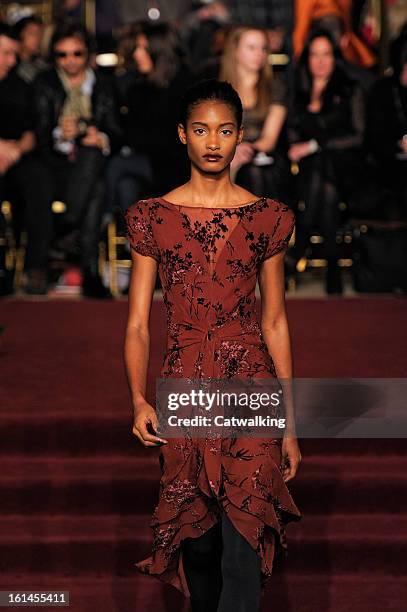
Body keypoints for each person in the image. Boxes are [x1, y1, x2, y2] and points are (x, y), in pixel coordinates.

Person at [124, 79, 302, 611]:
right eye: (201, 129)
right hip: (186, 385)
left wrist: (291, 424)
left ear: (240, 136)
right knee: (199, 544)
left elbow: (275, 321)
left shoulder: (269, 217)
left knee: (242, 544)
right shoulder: (151, 217)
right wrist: (137, 398)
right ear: (183, 135)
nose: (213, 141)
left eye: (225, 130)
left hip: (250, 381)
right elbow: (137, 323)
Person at [32, 22, 122, 299]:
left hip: (91, 164)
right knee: (93, 189)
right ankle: (89, 269)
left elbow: (119, 131)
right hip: (54, 166)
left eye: (77, 54)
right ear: (54, 56)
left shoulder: (104, 84)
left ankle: (64, 235)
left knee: (92, 162)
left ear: (88, 55)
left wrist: (100, 136)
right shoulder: (44, 83)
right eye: (62, 55)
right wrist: (61, 133)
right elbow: (39, 133)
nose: (70, 61)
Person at [287, 29, 366, 294]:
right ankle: (333, 266)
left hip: (346, 166)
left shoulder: (348, 90)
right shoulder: (299, 91)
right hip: (307, 172)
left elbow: (357, 136)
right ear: (307, 59)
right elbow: (291, 134)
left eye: (326, 54)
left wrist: (315, 145)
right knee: (323, 183)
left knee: (326, 174)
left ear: (335, 58)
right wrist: (303, 148)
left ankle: (299, 248)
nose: (320, 61)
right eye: (314, 54)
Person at [0, 23, 51, 295]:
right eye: (6, 53)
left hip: (18, 157)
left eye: (14, 54)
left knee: (39, 180)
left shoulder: (19, 84)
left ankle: (35, 267)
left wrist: (14, 151)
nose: (12, 60)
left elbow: (35, 129)